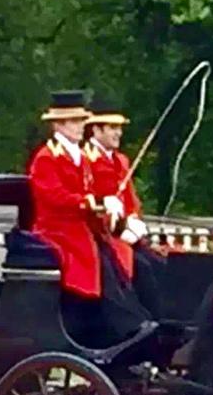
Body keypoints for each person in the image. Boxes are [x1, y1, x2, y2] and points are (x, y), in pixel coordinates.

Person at [26, 90, 157, 349]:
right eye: (74, 122)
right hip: (57, 230)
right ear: (58, 125)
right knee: (101, 265)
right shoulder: (46, 157)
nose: (80, 127)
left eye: (81, 121)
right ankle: (124, 326)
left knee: (114, 262)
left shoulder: (79, 156)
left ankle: (134, 321)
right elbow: (55, 196)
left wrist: (117, 217)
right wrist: (94, 202)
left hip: (83, 228)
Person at [84, 97, 165, 319]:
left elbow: (130, 199)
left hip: (125, 234)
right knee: (141, 267)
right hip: (103, 235)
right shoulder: (87, 160)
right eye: (112, 128)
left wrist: (133, 220)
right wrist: (119, 226)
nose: (118, 133)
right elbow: (90, 201)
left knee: (160, 264)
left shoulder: (121, 160)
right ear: (96, 130)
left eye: (119, 128)